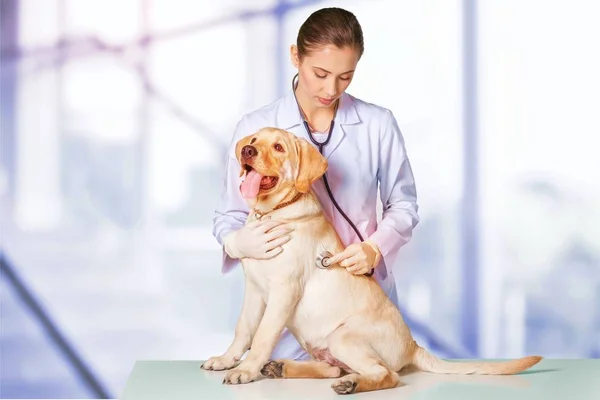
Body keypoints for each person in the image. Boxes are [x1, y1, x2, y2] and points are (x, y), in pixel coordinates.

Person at [212, 7, 419, 361]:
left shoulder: (377, 124)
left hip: (355, 308)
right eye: (320, 73)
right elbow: (230, 213)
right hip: (287, 318)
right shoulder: (258, 126)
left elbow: (404, 205)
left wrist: (375, 247)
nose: (330, 88)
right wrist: (236, 241)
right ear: (296, 56)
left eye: (345, 76)